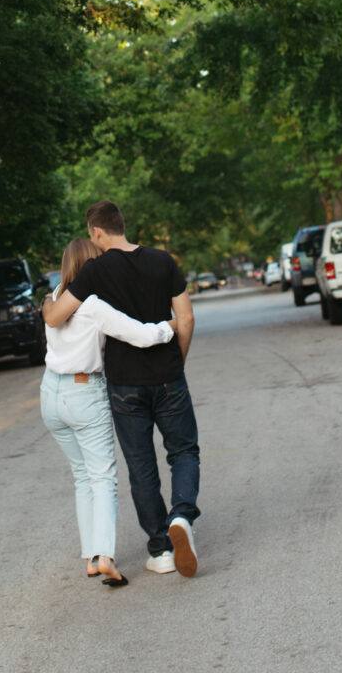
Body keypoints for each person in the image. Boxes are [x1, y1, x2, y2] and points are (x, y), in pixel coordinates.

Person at [43, 201, 200, 577]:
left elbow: (57, 315)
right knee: (183, 451)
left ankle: (160, 549)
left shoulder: (94, 271)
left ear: (96, 232)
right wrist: (176, 361)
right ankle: (181, 516)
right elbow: (187, 317)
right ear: (121, 225)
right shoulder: (164, 261)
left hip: (124, 385)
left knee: (141, 464)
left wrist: (48, 300)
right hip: (168, 376)